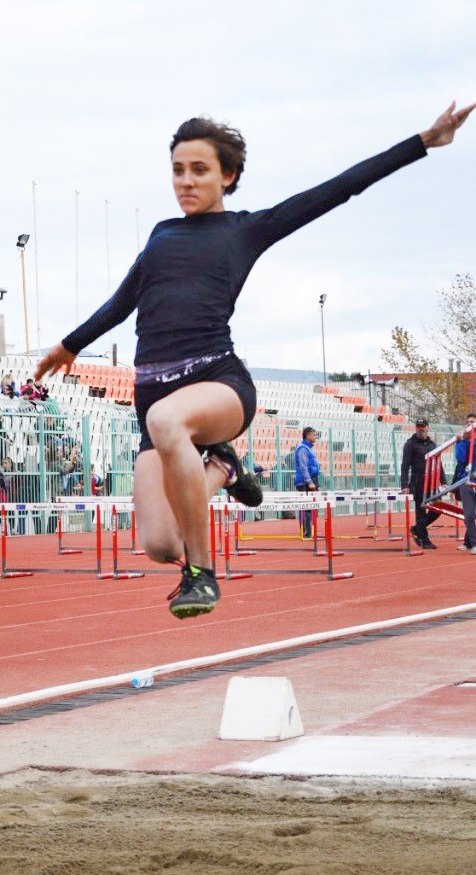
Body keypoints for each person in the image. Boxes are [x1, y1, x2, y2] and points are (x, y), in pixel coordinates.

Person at [36, 100, 474, 619]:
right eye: (177, 170)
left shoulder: (245, 231)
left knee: (167, 419)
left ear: (229, 175)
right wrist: (71, 344)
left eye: (199, 170)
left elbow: (336, 189)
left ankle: (201, 574)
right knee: (157, 542)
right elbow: (122, 300)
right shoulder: (161, 235)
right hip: (153, 395)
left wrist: (423, 141)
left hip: (218, 382)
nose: (186, 181)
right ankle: (222, 465)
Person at [401, 417, 446, 549]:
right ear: (416, 428)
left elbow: (439, 463)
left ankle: (417, 529)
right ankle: (425, 539)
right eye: (418, 426)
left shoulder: (432, 444)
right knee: (421, 511)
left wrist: (443, 481)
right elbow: (405, 466)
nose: (421, 429)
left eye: (423, 426)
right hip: (418, 482)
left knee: (438, 509)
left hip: (432, 483)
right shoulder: (410, 444)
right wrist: (404, 485)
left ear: (427, 427)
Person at [454, 413, 476, 553]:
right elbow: (461, 459)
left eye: (472, 422)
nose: (469, 424)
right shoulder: (464, 442)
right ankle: (473, 543)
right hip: (466, 481)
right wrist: (461, 441)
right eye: (467, 422)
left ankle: (469, 542)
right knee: (468, 515)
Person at [294, 427, 320, 538]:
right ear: (307, 435)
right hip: (304, 482)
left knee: (311, 507)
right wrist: (309, 482)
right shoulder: (302, 449)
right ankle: (306, 532)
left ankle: (309, 530)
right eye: (314, 435)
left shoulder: (308, 448)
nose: (315, 437)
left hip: (311, 479)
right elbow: (303, 467)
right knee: (307, 507)